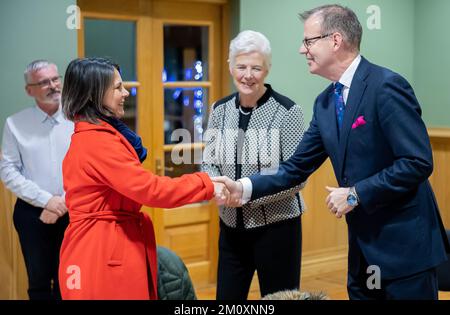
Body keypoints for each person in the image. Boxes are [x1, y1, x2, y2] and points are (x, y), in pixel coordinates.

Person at [213, 5, 450, 300]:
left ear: (335, 40)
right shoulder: (325, 103)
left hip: (405, 250)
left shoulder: (386, 86)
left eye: (308, 41)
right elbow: (295, 167)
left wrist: (355, 194)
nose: (302, 50)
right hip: (363, 251)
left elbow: (417, 162)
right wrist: (243, 187)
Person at [59, 57, 228, 300]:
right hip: (100, 252)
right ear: (95, 95)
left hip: (108, 243)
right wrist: (207, 184)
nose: (125, 92)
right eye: (117, 87)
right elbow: (151, 189)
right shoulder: (96, 142)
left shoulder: (100, 135)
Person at [202, 30, 307, 300]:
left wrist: (243, 192)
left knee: (277, 300)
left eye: (256, 67)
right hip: (230, 228)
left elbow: (296, 176)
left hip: (277, 229)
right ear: (230, 67)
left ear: (267, 70)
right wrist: (219, 188)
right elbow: (209, 160)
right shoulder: (220, 109)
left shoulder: (288, 112)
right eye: (241, 66)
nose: (248, 74)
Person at [0, 60, 73, 299]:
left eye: (55, 79)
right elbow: (8, 171)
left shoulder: (80, 118)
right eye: (43, 82)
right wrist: (46, 201)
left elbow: (89, 169)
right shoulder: (15, 124)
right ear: (29, 90)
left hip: (74, 211)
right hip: (32, 215)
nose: (53, 86)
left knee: (71, 280)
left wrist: (62, 202)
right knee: (39, 282)